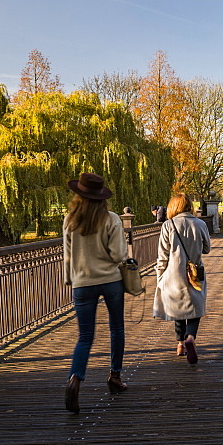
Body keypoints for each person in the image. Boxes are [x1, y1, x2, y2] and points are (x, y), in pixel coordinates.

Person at [62, 172, 128, 414]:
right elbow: (119, 255)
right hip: (110, 280)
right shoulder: (111, 219)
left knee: (85, 337)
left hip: (82, 282)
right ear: (102, 196)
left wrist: (70, 280)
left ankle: (75, 379)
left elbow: (67, 255)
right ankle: (115, 377)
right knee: (116, 329)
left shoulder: (69, 220)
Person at [153, 193, 211, 364]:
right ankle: (191, 336)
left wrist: (160, 277)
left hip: (173, 272)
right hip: (195, 272)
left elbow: (162, 256)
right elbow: (207, 249)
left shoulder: (168, 225)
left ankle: (180, 344)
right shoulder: (200, 223)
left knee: (177, 306)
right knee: (196, 304)